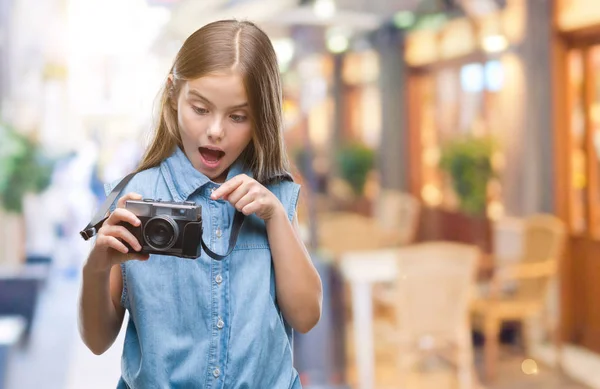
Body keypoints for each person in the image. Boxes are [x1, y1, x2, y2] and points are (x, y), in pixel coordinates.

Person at [78, 20, 322, 388]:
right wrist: (96, 267)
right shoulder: (133, 197)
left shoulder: (275, 197)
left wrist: (274, 218)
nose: (216, 130)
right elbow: (98, 342)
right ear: (173, 93)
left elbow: (305, 317)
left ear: (260, 119)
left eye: (238, 116)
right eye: (201, 108)